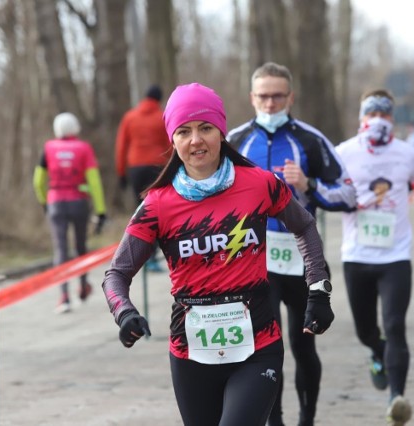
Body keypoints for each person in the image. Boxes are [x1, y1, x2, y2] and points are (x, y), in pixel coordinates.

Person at [102, 83, 335, 426]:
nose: (196, 140)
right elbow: (116, 274)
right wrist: (124, 313)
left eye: (205, 128)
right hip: (191, 353)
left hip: (257, 346)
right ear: (173, 140)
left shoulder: (260, 184)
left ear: (221, 132)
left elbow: (304, 226)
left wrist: (318, 288)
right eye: (184, 131)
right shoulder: (157, 204)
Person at [228, 61, 356, 426]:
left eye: (278, 96)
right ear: (252, 98)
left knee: (303, 347)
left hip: (302, 262)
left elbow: (348, 195)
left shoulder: (310, 139)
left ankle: (307, 420)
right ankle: (275, 421)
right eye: (264, 96)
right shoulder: (235, 142)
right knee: (266, 351)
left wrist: (308, 186)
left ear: (290, 97)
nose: (270, 104)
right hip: (254, 264)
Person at [335, 89, 414, 426]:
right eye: (373, 113)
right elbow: (329, 190)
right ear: (361, 118)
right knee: (367, 331)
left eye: (385, 114)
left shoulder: (406, 152)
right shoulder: (342, 153)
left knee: (395, 325)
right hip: (356, 254)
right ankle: (377, 352)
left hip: (396, 255)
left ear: (392, 119)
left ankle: (396, 398)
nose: (379, 120)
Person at [33, 112, 107, 314]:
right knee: (81, 245)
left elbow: (38, 181)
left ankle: (64, 296)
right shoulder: (84, 149)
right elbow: (94, 182)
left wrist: (44, 202)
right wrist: (101, 211)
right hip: (79, 203)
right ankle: (83, 286)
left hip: (55, 203)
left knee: (60, 250)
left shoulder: (48, 148)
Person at [115, 84, 171, 272]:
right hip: (157, 166)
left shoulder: (129, 117)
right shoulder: (161, 117)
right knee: (156, 211)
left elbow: (122, 146)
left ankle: (139, 255)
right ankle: (152, 257)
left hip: (135, 167)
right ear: (158, 99)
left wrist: (121, 172)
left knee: (140, 211)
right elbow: (169, 144)